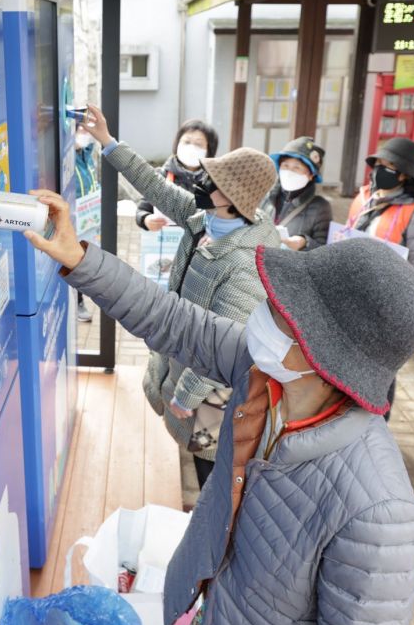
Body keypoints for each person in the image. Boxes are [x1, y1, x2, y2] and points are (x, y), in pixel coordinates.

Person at [25, 189, 414, 625]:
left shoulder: (382, 513)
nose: (266, 312)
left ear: (326, 352)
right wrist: (81, 259)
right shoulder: (263, 374)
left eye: (286, 311)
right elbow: (172, 320)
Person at [88, 104, 279, 490]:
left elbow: (224, 344)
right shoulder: (204, 217)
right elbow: (154, 186)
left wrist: (187, 396)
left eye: (214, 180)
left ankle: (214, 530)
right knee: (196, 453)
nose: (204, 182)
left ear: (235, 198)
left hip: (215, 388)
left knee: (213, 463)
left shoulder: (245, 264)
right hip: (187, 355)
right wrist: (107, 142)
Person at [347, 136, 414, 285]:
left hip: (387, 292)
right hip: (351, 283)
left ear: (403, 175)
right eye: (377, 163)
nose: (378, 170)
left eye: (387, 165)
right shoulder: (363, 197)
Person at [135, 120, 218, 231]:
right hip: (165, 243)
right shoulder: (160, 176)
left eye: (198, 144)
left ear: (209, 150)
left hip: (203, 245)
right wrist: (146, 219)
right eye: (186, 142)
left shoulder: (216, 181)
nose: (191, 148)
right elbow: (142, 210)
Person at [261, 136, 332, 250]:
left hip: (291, 265)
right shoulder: (266, 195)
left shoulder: (320, 207)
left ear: (311, 175)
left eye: (296, 168)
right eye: (285, 166)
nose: (289, 172)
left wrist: (304, 243)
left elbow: (324, 249)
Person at [74, 124, 100, 322]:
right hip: (72, 222)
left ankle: (79, 298)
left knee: (84, 259)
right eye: (79, 130)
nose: (84, 135)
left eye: (86, 131)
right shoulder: (65, 157)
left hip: (87, 221)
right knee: (75, 262)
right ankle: (78, 301)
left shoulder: (87, 155)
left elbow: (93, 184)